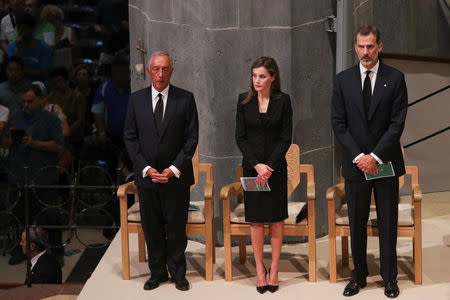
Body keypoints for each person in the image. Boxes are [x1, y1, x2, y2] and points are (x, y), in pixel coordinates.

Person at [331, 25, 408, 299]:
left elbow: (397, 124)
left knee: (388, 222)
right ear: (355, 47)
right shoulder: (343, 80)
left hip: (385, 164)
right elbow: (339, 124)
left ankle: (390, 278)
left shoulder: (395, 78)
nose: (365, 52)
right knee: (357, 222)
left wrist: (374, 157)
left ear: (380, 47)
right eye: (361, 47)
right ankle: (359, 275)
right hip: (355, 166)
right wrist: (360, 158)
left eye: (370, 46)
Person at [124, 51, 198, 292]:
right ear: (149, 71)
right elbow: (130, 138)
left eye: (165, 69)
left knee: (176, 228)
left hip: (175, 178)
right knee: (152, 228)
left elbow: (191, 139)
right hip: (147, 179)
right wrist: (146, 169)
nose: (160, 74)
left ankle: (178, 274)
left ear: (171, 71)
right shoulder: (136, 100)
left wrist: (173, 169)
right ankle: (157, 273)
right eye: (156, 69)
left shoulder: (185, 99)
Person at [235, 56, 292, 294]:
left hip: (275, 171)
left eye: (262, 76)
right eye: (254, 76)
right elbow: (240, 137)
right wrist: (257, 166)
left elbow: (285, 138)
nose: (257, 80)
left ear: (272, 77)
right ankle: (260, 270)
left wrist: (268, 166)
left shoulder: (283, 101)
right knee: (257, 221)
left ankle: (275, 270)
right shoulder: (243, 101)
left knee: (276, 221)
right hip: (253, 171)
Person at [7, 13, 51, 82]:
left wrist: (22, 72)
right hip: (17, 84)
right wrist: (17, 48)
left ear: (32, 29)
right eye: (18, 28)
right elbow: (13, 71)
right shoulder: (12, 46)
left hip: (36, 85)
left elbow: (45, 73)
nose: (20, 32)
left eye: (23, 28)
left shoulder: (44, 47)